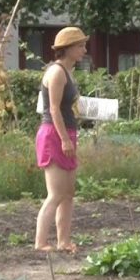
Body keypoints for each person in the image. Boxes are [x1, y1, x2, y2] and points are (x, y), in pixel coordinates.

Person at [34, 26, 88, 252]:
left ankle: (63, 241)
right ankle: (40, 243)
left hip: (66, 132)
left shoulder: (69, 71)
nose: (84, 50)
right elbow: (54, 109)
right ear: (67, 48)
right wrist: (65, 139)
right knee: (55, 193)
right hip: (54, 134)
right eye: (80, 46)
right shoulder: (56, 72)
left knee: (68, 193)